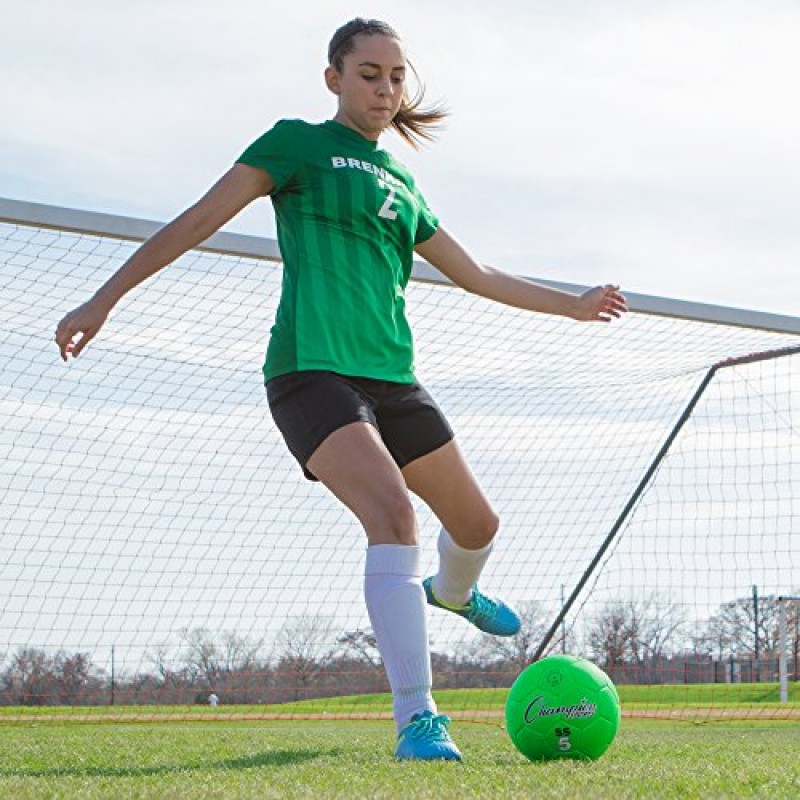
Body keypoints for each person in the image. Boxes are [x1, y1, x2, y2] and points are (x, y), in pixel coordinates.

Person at [55, 18, 628, 761]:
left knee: (478, 525)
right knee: (393, 515)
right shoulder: (296, 144)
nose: (386, 89)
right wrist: (104, 298)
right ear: (334, 78)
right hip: (310, 373)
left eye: (396, 77)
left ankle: (452, 593)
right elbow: (199, 218)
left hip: (393, 378)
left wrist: (573, 305)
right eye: (369, 74)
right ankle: (419, 720)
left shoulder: (402, 182)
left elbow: (478, 274)